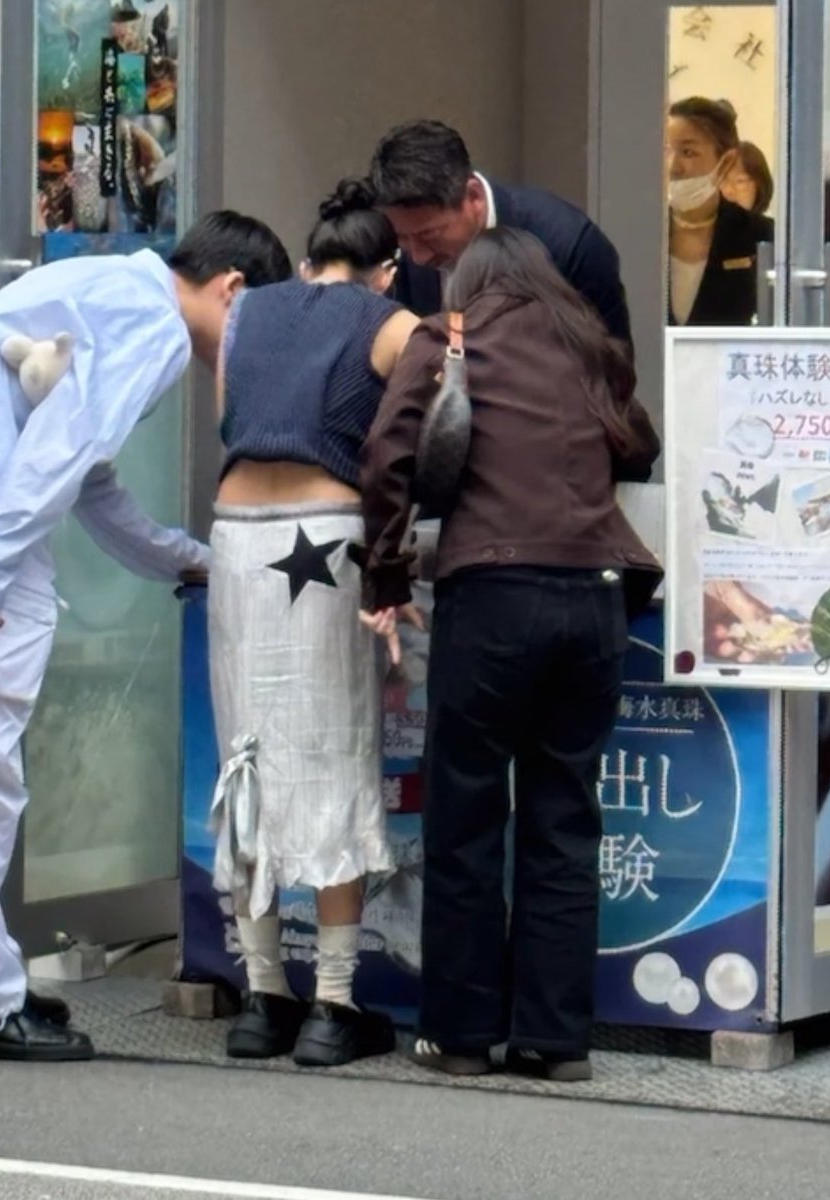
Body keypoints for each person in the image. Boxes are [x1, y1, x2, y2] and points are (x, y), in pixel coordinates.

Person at [0, 210, 292, 1062]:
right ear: (233, 288)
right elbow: (58, 458)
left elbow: (88, 480)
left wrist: (186, 561)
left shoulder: (100, 290)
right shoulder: (150, 323)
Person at [357, 227, 661, 1079]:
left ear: (473, 280)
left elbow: (388, 455)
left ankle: (459, 1037)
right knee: (564, 815)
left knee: (467, 815)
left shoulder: (448, 335)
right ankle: (555, 1042)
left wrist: (384, 576)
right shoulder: (590, 348)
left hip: (492, 599)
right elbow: (640, 444)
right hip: (595, 598)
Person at [209, 179, 419, 1068]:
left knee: (245, 758)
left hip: (233, 538)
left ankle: (263, 999)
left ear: (305, 261)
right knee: (335, 752)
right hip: (326, 540)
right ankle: (332, 1008)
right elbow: (425, 427)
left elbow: (230, 415)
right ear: (386, 272)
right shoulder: (393, 320)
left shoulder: (245, 314)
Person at [369, 119, 632, 348]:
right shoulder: (402, 257)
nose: (418, 257)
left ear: (473, 196)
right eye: (403, 237)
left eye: (430, 234)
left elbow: (611, 377)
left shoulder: (569, 245)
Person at [666, 98, 773, 326]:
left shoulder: (763, 237)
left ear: (726, 162)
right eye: (665, 150)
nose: (673, 167)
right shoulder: (634, 234)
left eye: (688, 152)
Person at [720, 140, 774, 217]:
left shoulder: (777, 227)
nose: (728, 191)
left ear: (759, 184)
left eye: (740, 181)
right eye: (722, 180)